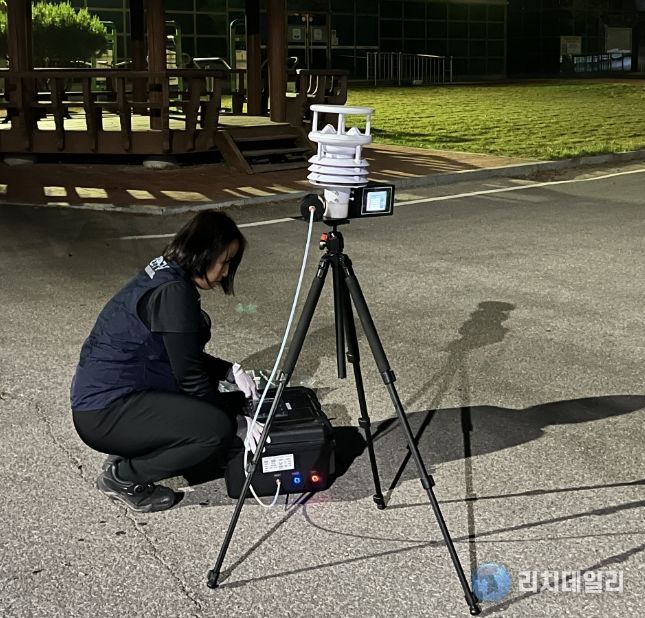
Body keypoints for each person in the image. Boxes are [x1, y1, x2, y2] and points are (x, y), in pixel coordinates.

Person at [71, 211, 267, 513]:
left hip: (106, 401)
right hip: (106, 412)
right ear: (204, 252)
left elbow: (178, 352)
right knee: (214, 429)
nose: (226, 272)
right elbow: (190, 376)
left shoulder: (166, 272)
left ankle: (132, 449)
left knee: (225, 403)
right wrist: (236, 424)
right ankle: (124, 477)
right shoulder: (174, 292)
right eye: (225, 261)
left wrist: (229, 371)